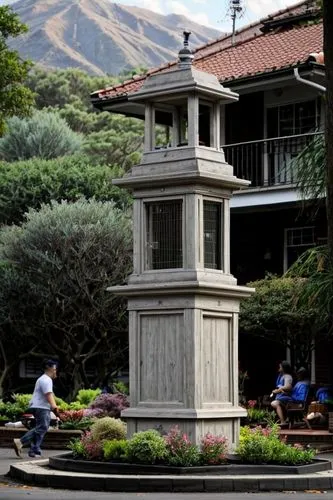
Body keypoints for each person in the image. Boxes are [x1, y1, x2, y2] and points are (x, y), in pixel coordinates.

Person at [13, 359, 59, 458]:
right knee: (43, 427)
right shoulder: (47, 379)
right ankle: (20, 441)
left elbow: (49, 394)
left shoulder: (42, 379)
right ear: (49, 368)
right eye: (55, 369)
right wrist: (54, 407)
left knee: (39, 428)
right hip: (41, 407)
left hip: (37, 406)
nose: (56, 371)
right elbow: (48, 394)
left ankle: (35, 451)